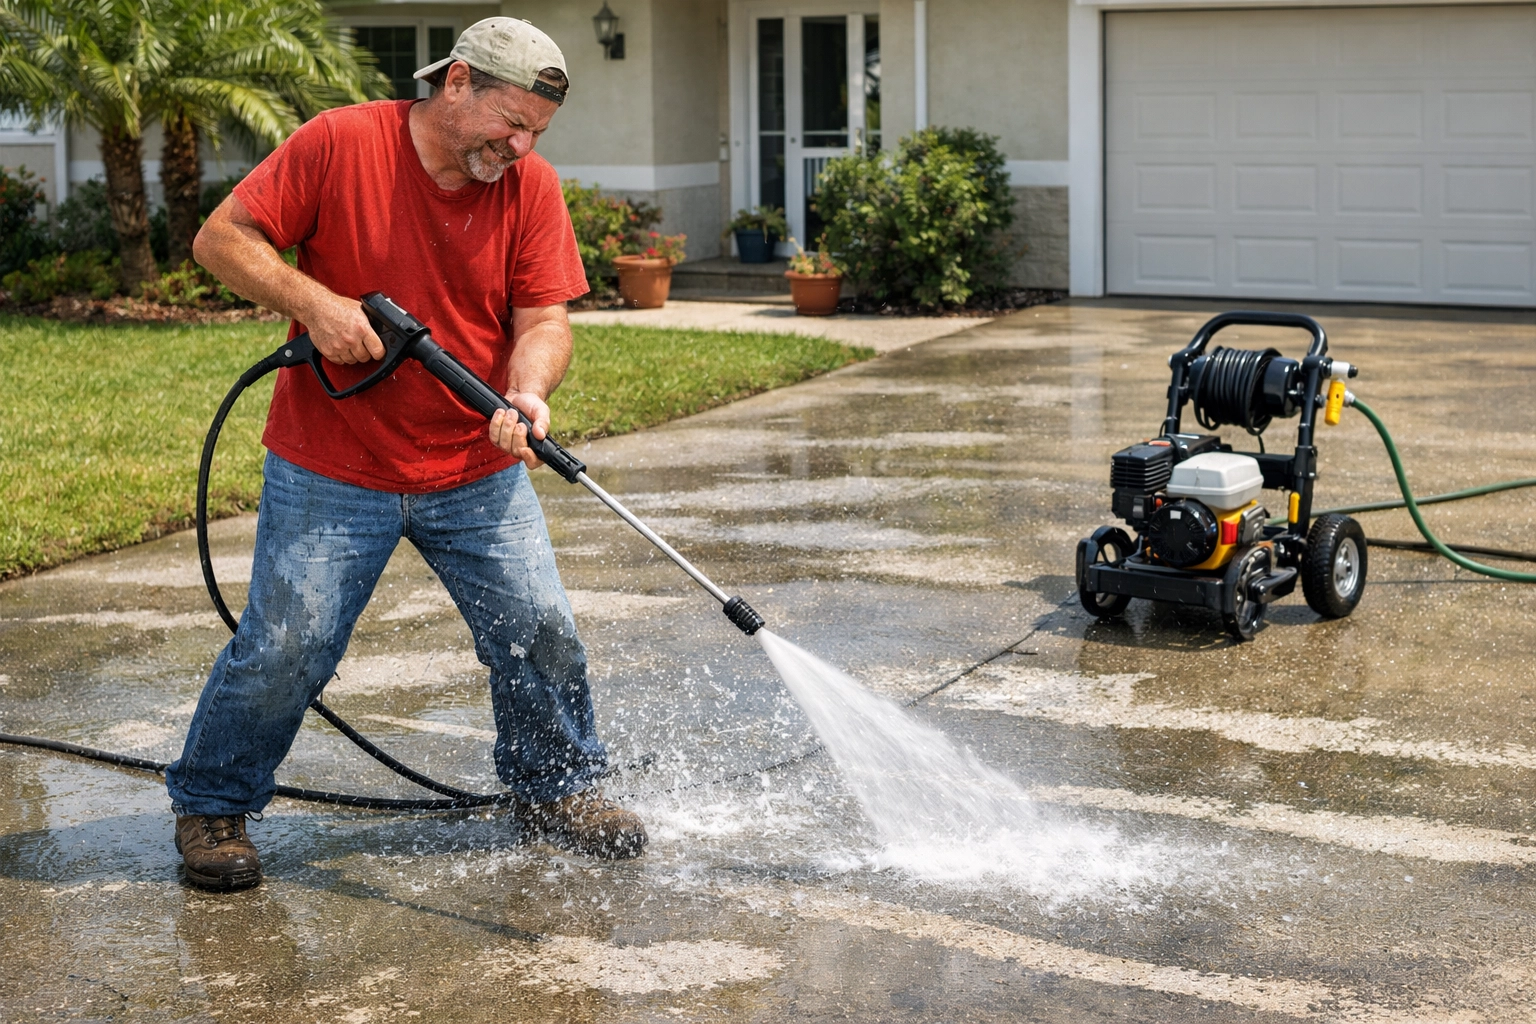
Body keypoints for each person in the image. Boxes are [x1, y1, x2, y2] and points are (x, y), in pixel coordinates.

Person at [167, 17, 646, 892]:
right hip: (332, 462)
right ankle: (213, 803)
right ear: (456, 82)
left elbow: (543, 318)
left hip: (474, 464)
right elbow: (222, 239)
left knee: (538, 630)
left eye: (536, 133)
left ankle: (554, 788)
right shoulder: (341, 143)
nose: (520, 145)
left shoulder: (528, 187)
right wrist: (315, 303)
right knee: (288, 643)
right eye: (510, 122)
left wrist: (528, 393)